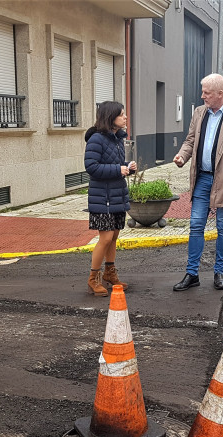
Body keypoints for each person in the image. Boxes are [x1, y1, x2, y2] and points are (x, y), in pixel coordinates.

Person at [171, 74, 223, 291]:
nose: (202, 96)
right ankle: (192, 274)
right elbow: (190, 140)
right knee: (196, 226)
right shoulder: (200, 112)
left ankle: (219, 273)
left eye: (206, 93)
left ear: (221, 93)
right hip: (202, 178)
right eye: (203, 92)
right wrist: (182, 156)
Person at [83, 101, 136, 296]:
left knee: (114, 236)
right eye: (121, 114)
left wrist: (127, 167)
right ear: (110, 118)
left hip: (116, 195)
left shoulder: (116, 138)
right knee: (105, 238)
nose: (125, 117)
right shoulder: (96, 139)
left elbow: (114, 165)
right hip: (102, 198)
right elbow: (91, 167)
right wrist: (118, 169)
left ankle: (109, 273)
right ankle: (93, 278)